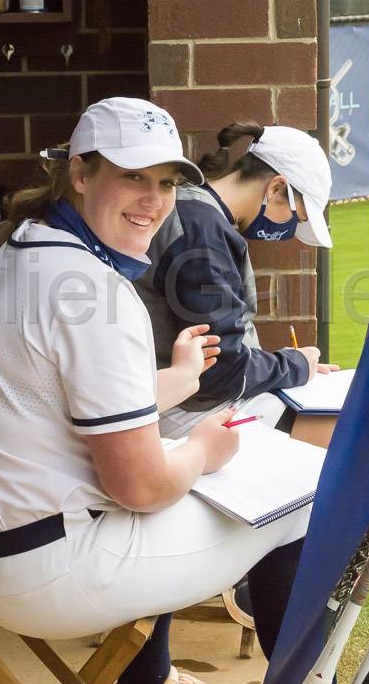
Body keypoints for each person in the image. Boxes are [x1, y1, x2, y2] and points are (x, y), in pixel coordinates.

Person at [0, 98, 325, 684]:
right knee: (298, 501)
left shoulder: (9, 253)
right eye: (132, 175)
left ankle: (149, 677)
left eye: (164, 182)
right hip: (40, 574)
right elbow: (139, 487)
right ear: (81, 174)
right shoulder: (95, 290)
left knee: (176, 480)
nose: (154, 200)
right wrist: (205, 452)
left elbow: (51, 402)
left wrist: (182, 380)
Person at [136, 122, 339, 445]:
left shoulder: (198, 211)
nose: (287, 231)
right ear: (275, 188)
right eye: (294, 216)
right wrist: (296, 364)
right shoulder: (202, 231)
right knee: (342, 434)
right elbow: (222, 371)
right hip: (183, 406)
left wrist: (285, 364)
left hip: (175, 396)